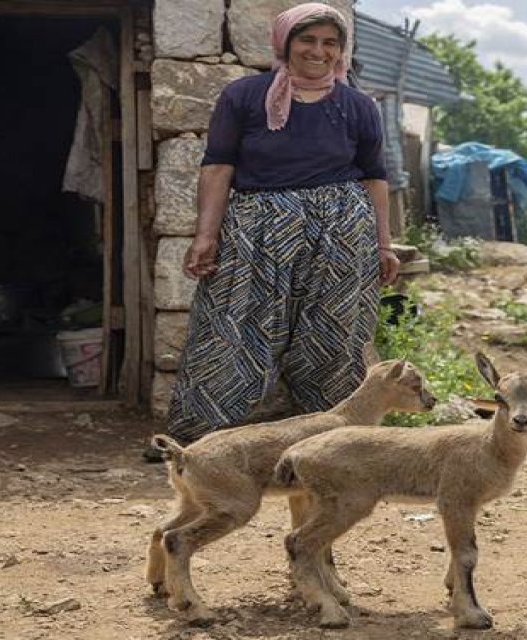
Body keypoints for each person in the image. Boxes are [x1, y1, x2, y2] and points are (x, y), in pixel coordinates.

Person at [165, 3, 398, 444]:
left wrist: (383, 245)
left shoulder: (358, 106)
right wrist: (205, 236)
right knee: (229, 326)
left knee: (333, 332)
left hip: (342, 234)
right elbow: (218, 167)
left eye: (330, 42)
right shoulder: (244, 96)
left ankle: (329, 441)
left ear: (341, 50)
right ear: (284, 43)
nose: (318, 50)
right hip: (256, 230)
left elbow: (374, 177)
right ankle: (198, 442)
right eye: (307, 40)